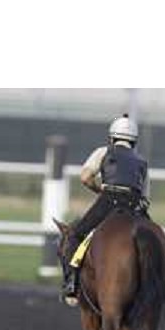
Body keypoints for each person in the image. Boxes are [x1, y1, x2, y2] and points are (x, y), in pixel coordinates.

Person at [60, 114, 148, 306]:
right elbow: (140, 189)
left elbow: (85, 178)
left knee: (75, 235)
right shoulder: (141, 160)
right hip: (134, 205)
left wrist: (98, 189)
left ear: (112, 137)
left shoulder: (103, 152)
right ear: (134, 140)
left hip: (109, 201)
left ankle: (71, 285)